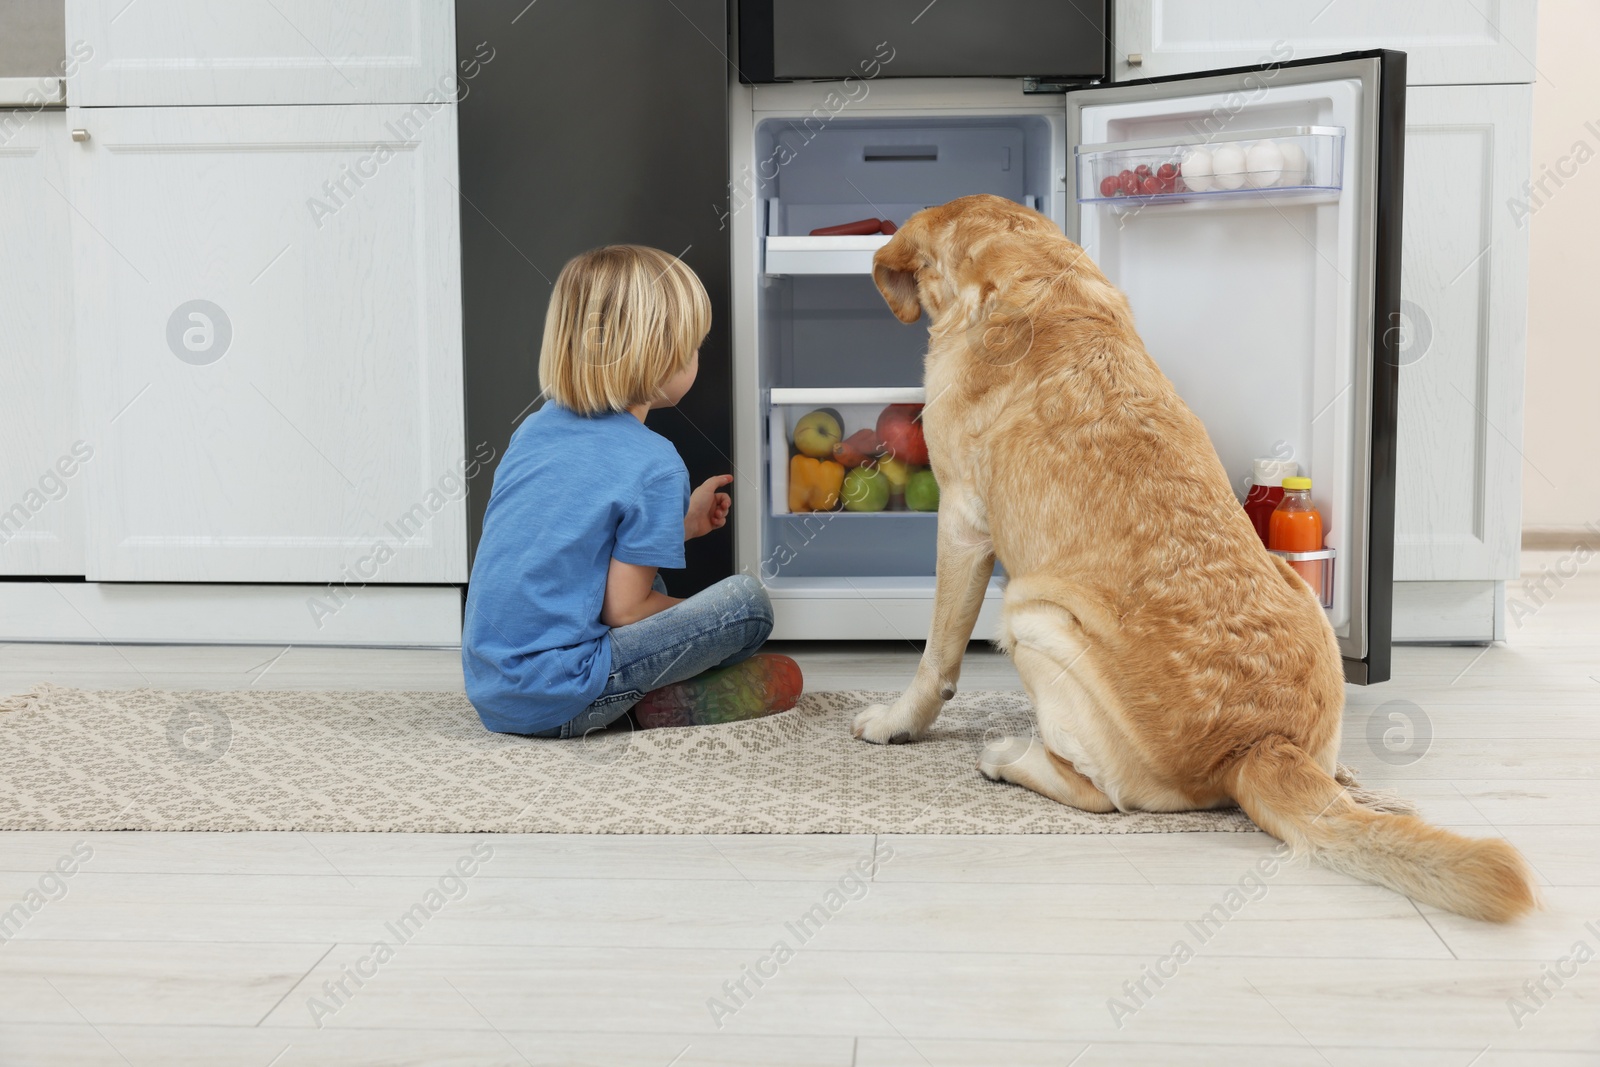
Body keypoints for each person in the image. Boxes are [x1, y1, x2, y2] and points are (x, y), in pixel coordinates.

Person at [462, 245, 802, 738]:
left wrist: (681, 524)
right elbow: (622, 611)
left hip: (492, 689)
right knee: (746, 605)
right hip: (563, 693)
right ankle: (653, 699)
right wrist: (702, 626)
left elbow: (572, 545)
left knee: (653, 586)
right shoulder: (655, 462)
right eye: (693, 347)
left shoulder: (533, 430)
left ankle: (652, 695)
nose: (696, 359)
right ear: (658, 356)